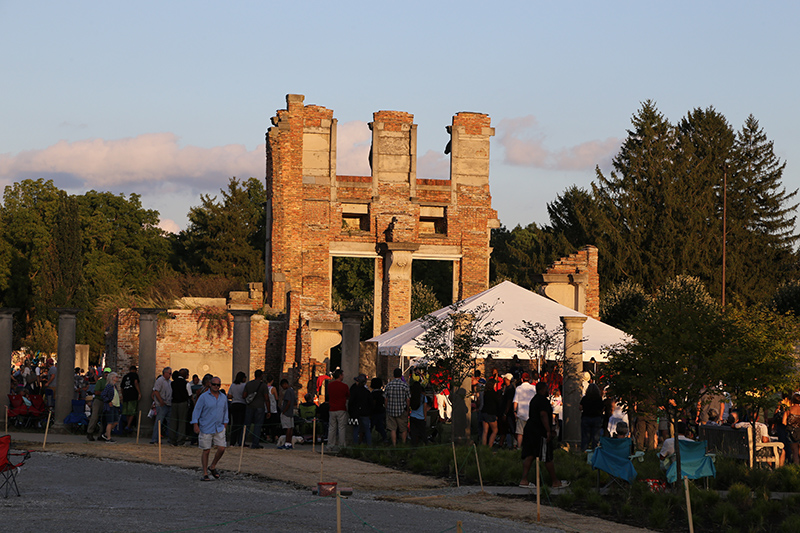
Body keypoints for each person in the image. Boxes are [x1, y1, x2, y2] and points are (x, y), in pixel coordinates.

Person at [519, 381, 567, 489]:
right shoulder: (542, 401)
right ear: (542, 389)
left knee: (530, 454)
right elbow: (543, 415)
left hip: (530, 430)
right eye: (546, 389)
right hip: (539, 432)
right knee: (547, 456)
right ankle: (555, 481)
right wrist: (548, 430)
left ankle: (524, 479)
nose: (548, 391)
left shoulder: (534, 400)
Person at [191, 376, 229, 481]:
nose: (216, 387)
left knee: (222, 448)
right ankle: (204, 473)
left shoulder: (223, 397)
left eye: (218, 385)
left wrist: (225, 423)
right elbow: (197, 410)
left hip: (219, 426)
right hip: (206, 426)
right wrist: (195, 423)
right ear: (210, 384)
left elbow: (225, 411)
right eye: (214, 384)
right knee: (206, 450)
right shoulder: (203, 397)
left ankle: (212, 466)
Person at [243, 370, 270, 449]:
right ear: (261, 376)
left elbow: (244, 395)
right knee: (257, 426)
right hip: (259, 407)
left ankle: (242, 441)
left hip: (249, 406)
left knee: (247, 425)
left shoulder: (249, 384)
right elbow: (266, 398)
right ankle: (255, 443)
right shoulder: (263, 385)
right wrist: (268, 410)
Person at [384, 368, 410, 446]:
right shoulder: (405, 385)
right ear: (401, 375)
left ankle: (394, 444)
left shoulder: (389, 385)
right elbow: (408, 399)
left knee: (393, 429)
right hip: (402, 409)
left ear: (393, 375)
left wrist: (386, 407)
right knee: (403, 429)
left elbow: (386, 398)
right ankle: (403, 443)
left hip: (391, 410)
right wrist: (408, 409)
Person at [326, 369, 350, 449]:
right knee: (341, 428)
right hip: (341, 408)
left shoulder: (330, 385)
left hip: (332, 408)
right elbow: (348, 395)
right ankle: (341, 445)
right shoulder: (344, 386)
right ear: (340, 375)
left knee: (332, 428)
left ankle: (330, 444)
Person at [512, 372, 536, 449]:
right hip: (531, 414)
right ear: (529, 380)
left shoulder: (518, 388)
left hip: (521, 413)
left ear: (522, 379)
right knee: (531, 432)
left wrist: (514, 411)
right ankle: (530, 447)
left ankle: (519, 447)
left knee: (520, 433)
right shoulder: (533, 388)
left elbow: (515, 401)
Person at [150, 367, 173, 444]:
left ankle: (170, 438)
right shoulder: (160, 381)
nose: (170, 375)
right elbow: (156, 391)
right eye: (169, 373)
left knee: (170, 422)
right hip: (161, 404)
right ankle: (155, 439)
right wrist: (160, 401)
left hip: (169, 403)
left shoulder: (169, 381)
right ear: (165, 373)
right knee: (159, 422)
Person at [86, 368, 110, 441]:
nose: (107, 374)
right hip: (98, 400)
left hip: (106, 401)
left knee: (104, 419)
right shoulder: (100, 381)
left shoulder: (110, 383)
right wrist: (104, 393)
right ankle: (90, 432)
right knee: (95, 417)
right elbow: (96, 392)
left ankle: (101, 434)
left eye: (108, 373)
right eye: (106, 373)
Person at [349, 374, 373, 445]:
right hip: (365, 413)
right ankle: (369, 445)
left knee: (355, 430)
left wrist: (351, 412)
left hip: (355, 413)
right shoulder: (367, 392)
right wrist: (370, 413)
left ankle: (355, 445)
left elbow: (350, 402)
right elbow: (371, 403)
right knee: (367, 430)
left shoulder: (354, 391)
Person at [169, 369, 190, 446]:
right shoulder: (186, 383)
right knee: (182, 422)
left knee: (173, 421)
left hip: (174, 402)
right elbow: (189, 394)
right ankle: (180, 440)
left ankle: (172, 439)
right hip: (182, 403)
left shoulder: (172, 383)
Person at [580, 383, 604, 450]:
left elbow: (580, 408)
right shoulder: (599, 399)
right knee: (595, 437)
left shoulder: (585, 398)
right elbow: (602, 408)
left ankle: (584, 450)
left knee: (585, 437)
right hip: (596, 418)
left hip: (586, 417)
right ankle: (595, 451)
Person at [100, 372, 121, 443]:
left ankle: (106, 434)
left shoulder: (114, 386)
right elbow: (103, 395)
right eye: (116, 377)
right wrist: (108, 401)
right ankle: (108, 438)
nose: (117, 378)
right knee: (110, 422)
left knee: (115, 422)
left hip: (115, 406)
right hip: (110, 407)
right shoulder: (109, 386)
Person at [228, 372, 248, 446]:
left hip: (234, 404)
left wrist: (235, 396)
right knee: (241, 424)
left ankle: (232, 441)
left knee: (234, 423)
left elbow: (229, 396)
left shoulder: (233, 385)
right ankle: (240, 441)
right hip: (242, 404)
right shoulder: (244, 385)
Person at [480, 377, 500, 447]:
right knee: (495, 431)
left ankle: (483, 446)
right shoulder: (494, 394)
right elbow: (498, 403)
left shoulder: (485, 393)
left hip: (484, 412)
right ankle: (490, 446)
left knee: (485, 431)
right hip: (491, 413)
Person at [120, 365, 140, 433]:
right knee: (132, 411)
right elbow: (136, 382)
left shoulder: (125, 376)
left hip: (126, 395)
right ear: (135, 370)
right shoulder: (134, 375)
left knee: (127, 412)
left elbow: (122, 387)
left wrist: (123, 395)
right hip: (132, 395)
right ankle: (128, 425)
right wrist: (139, 392)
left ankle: (128, 425)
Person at [409, 380, 429, 445]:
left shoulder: (411, 396)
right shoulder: (423, 397)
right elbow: (425, 408)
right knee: (423, 432)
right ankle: (425, 444)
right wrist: (425, 418)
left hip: (413, 416)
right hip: (421, 417)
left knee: (414, 433)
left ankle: (414, 445)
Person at [782, 393, 800, 465]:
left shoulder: (789, 409)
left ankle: (796, 467)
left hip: (791, 432)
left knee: (795, 452)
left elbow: (784, 422)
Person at [279, 378, 296, 449]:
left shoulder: (288, 391)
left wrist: (284, 411)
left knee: (288, 428)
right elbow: (294, 402)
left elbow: (288, 402)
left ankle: (287, 443)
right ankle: (289, 443)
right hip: (291, 412)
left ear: (285, 384)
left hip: (287, 412)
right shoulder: (292, 391)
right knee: (291, 428)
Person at [369, 377, 387, 444]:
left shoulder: (372, 394)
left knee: (370, 427)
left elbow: (372, 404)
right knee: (380, 426)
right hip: (381, 411)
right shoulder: (382, 393)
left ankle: (367, 440)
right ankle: (385, 438)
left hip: (373, 412)